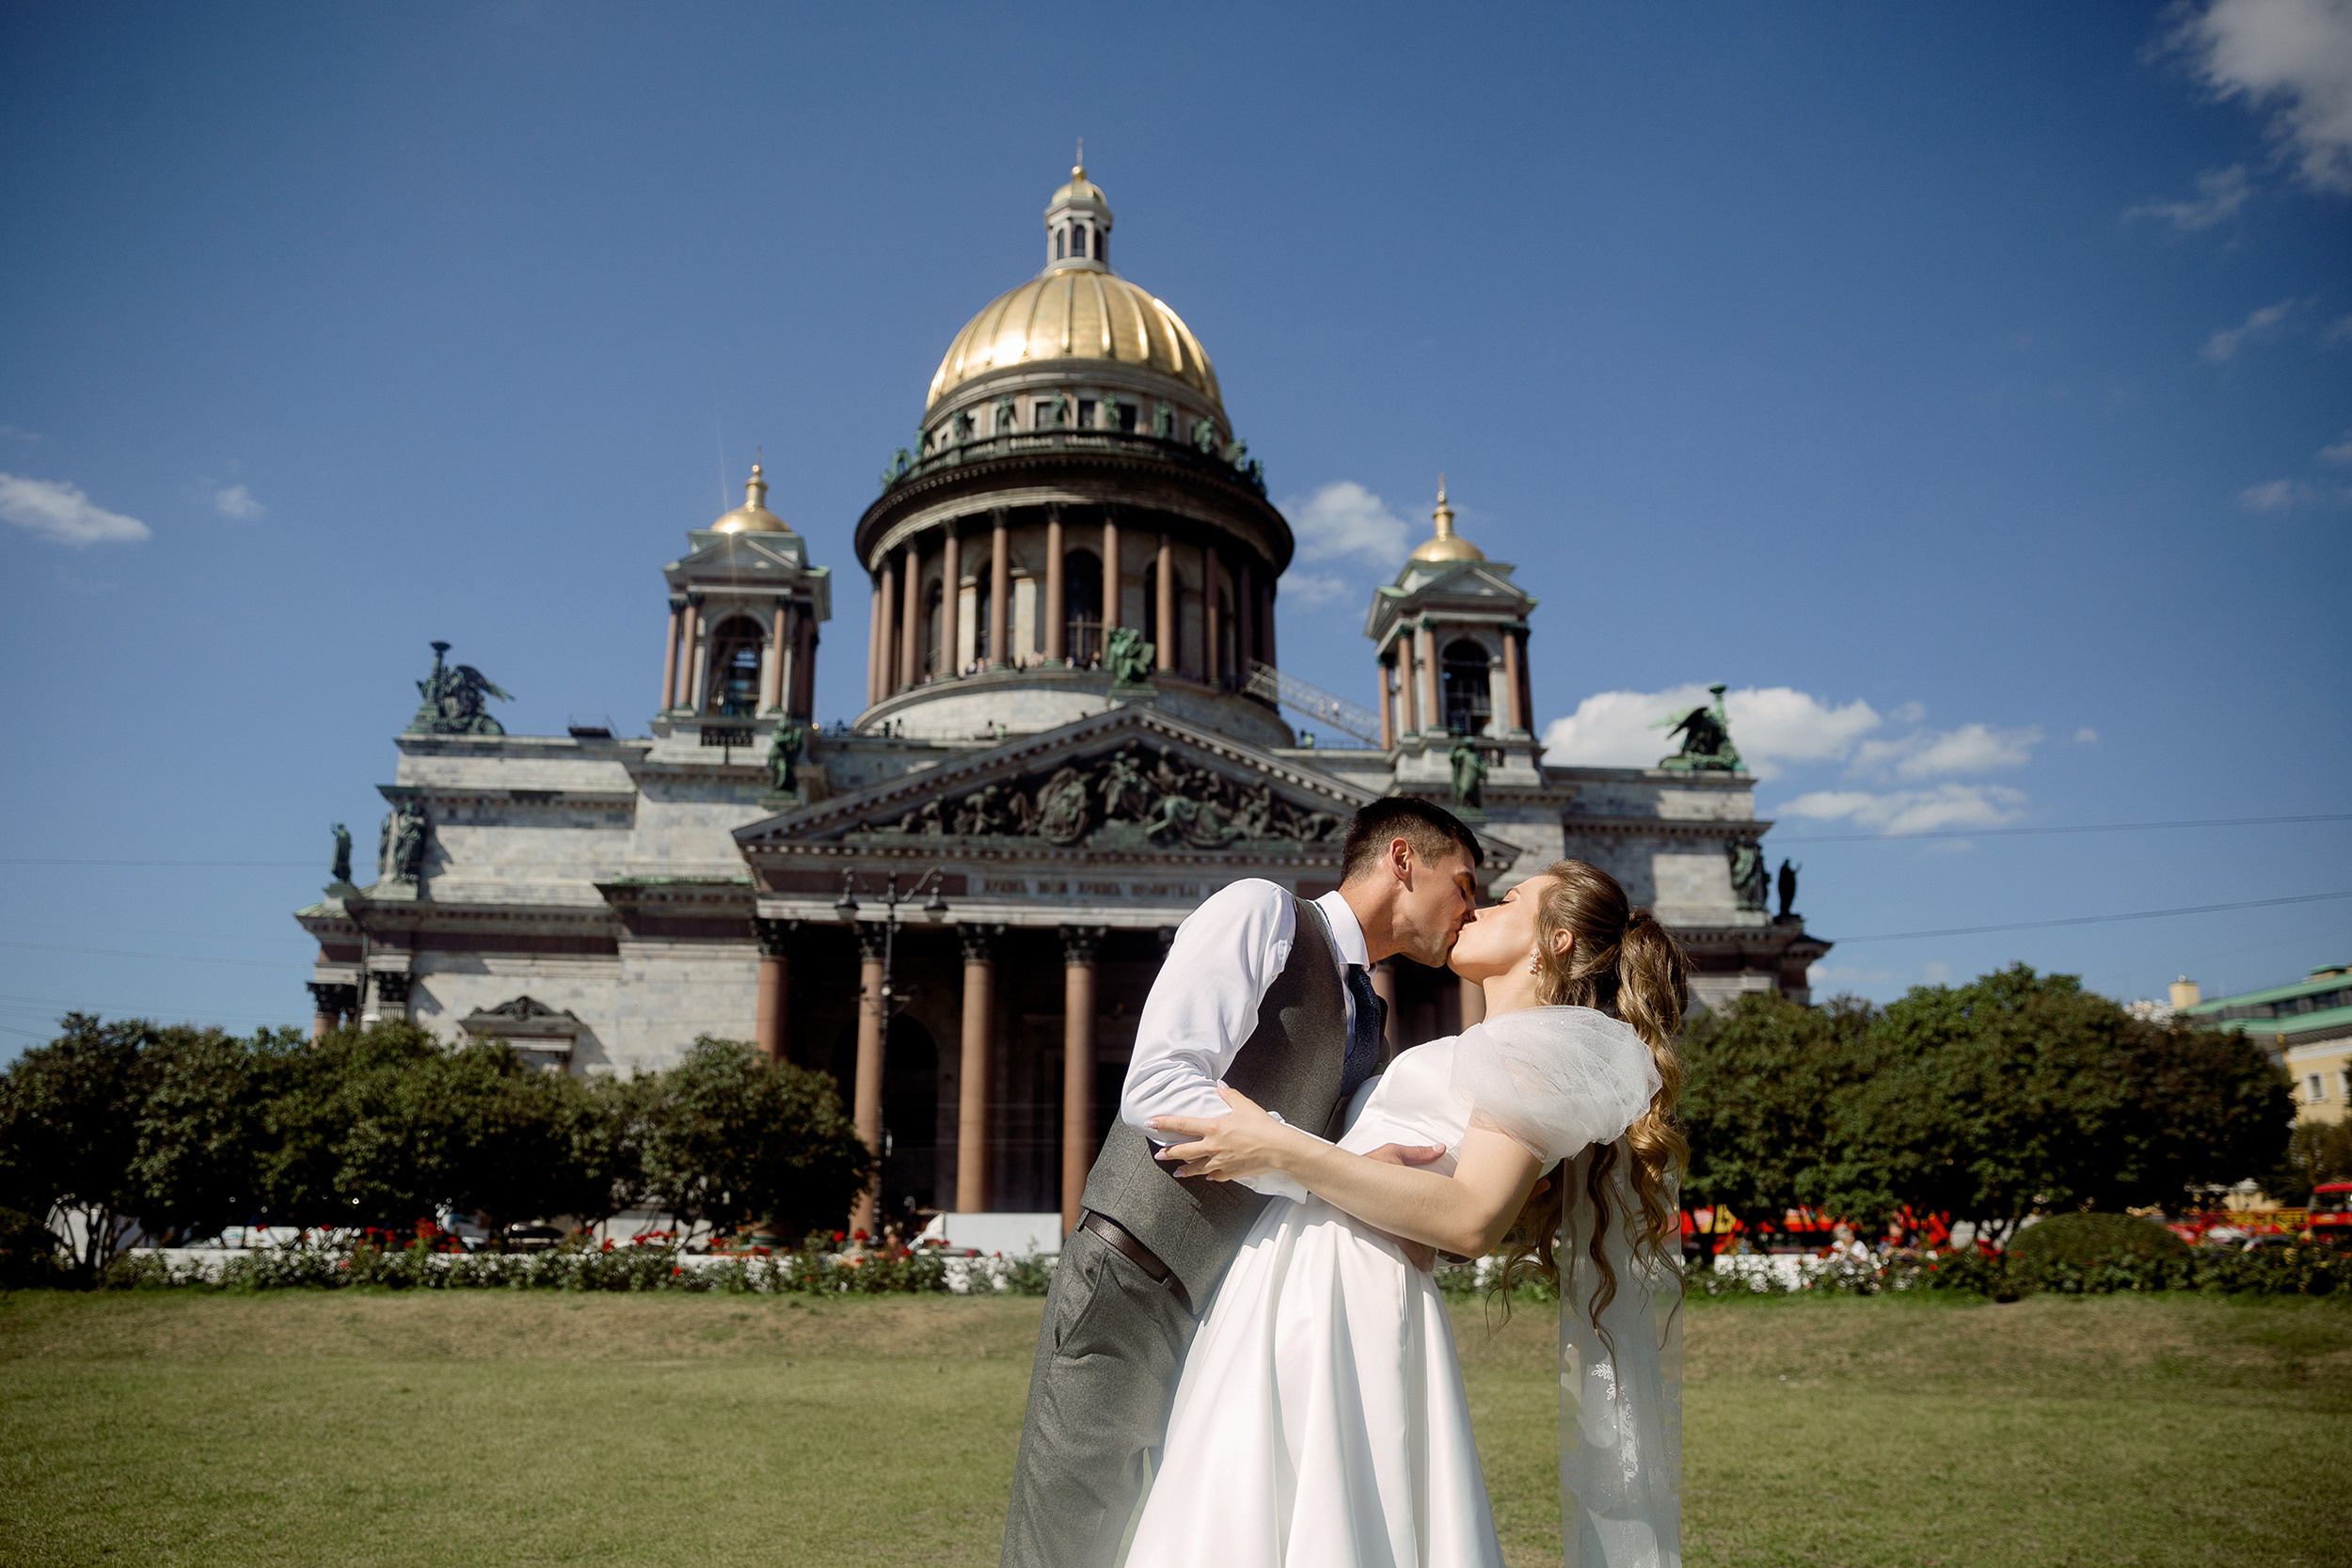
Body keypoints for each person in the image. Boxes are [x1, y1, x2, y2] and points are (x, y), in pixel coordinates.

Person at [1141, 860, 1688, 1568]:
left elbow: (1470, 1219)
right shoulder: (1491, 1047)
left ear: (1552, 941)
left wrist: (1278, 1146)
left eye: (1509, 900)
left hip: (1353, 1289)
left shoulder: (1538, 1051)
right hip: (1304, 1277)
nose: (1477, 909)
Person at [1000, 797, 1485, 1568]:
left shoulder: (1369, 1013)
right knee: (1066, 1545)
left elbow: (1354, 1175)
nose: (1470, 909)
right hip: (1133, 1280)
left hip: (1235, 1315)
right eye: (1462, 884)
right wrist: (1303, 1163)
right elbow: (1159, 1088)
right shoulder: (1263, 913)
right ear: (1402, 860)